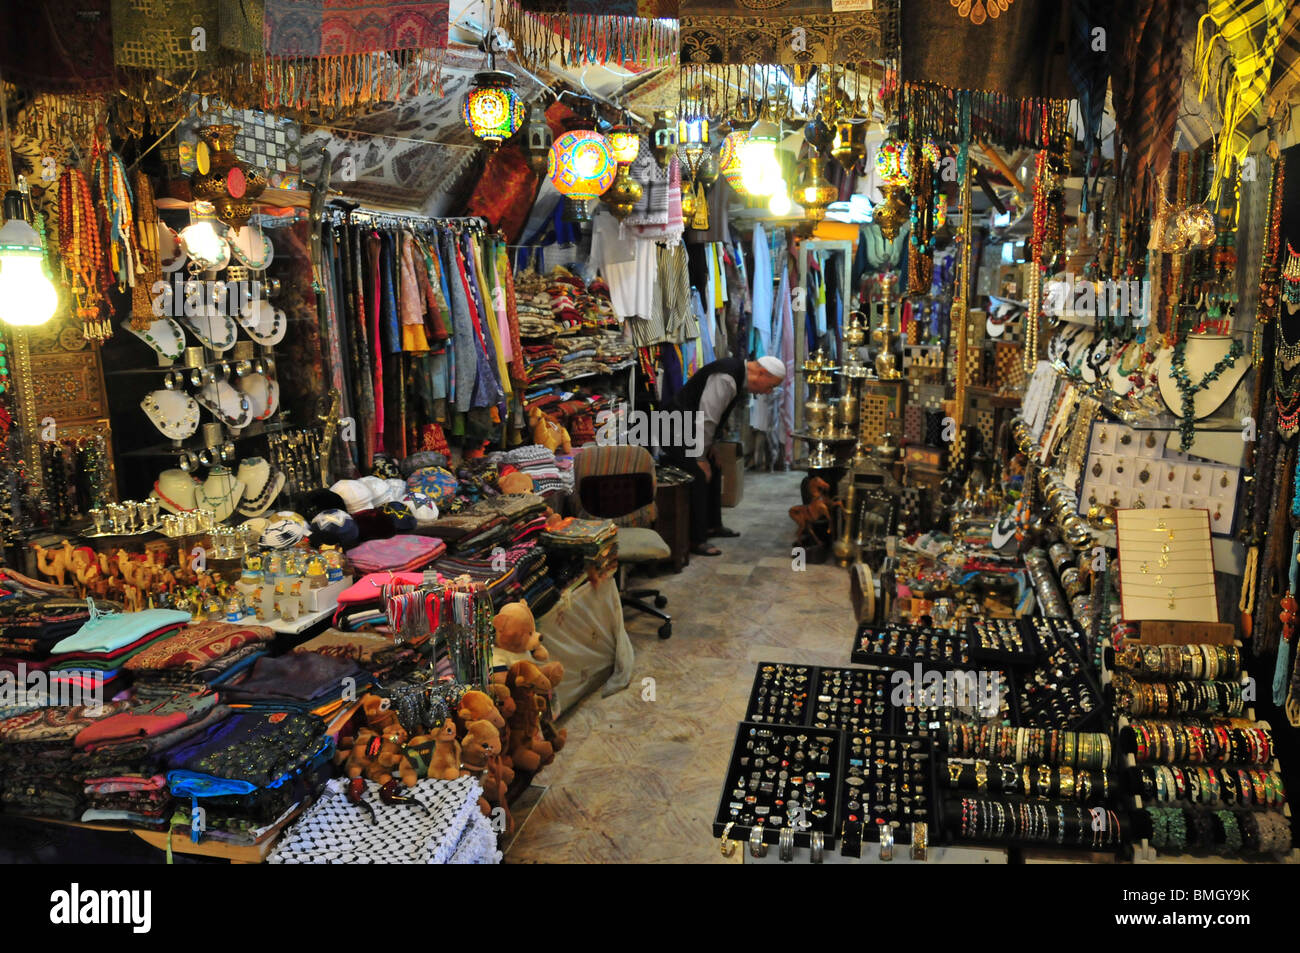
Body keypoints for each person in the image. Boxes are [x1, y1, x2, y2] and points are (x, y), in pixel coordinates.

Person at [661, 356, 785, 555]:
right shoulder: (727, 377)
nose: (767, 392)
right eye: (770, 386)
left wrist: (712, 446)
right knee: (698, 474)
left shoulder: (736, 375)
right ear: (761, 373)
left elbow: (716, 416)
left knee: (716, 465)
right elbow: (707, 418)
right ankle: (696, 539)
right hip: (672, 430)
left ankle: (712, 525)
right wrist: (700, 458)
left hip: (689, 429)